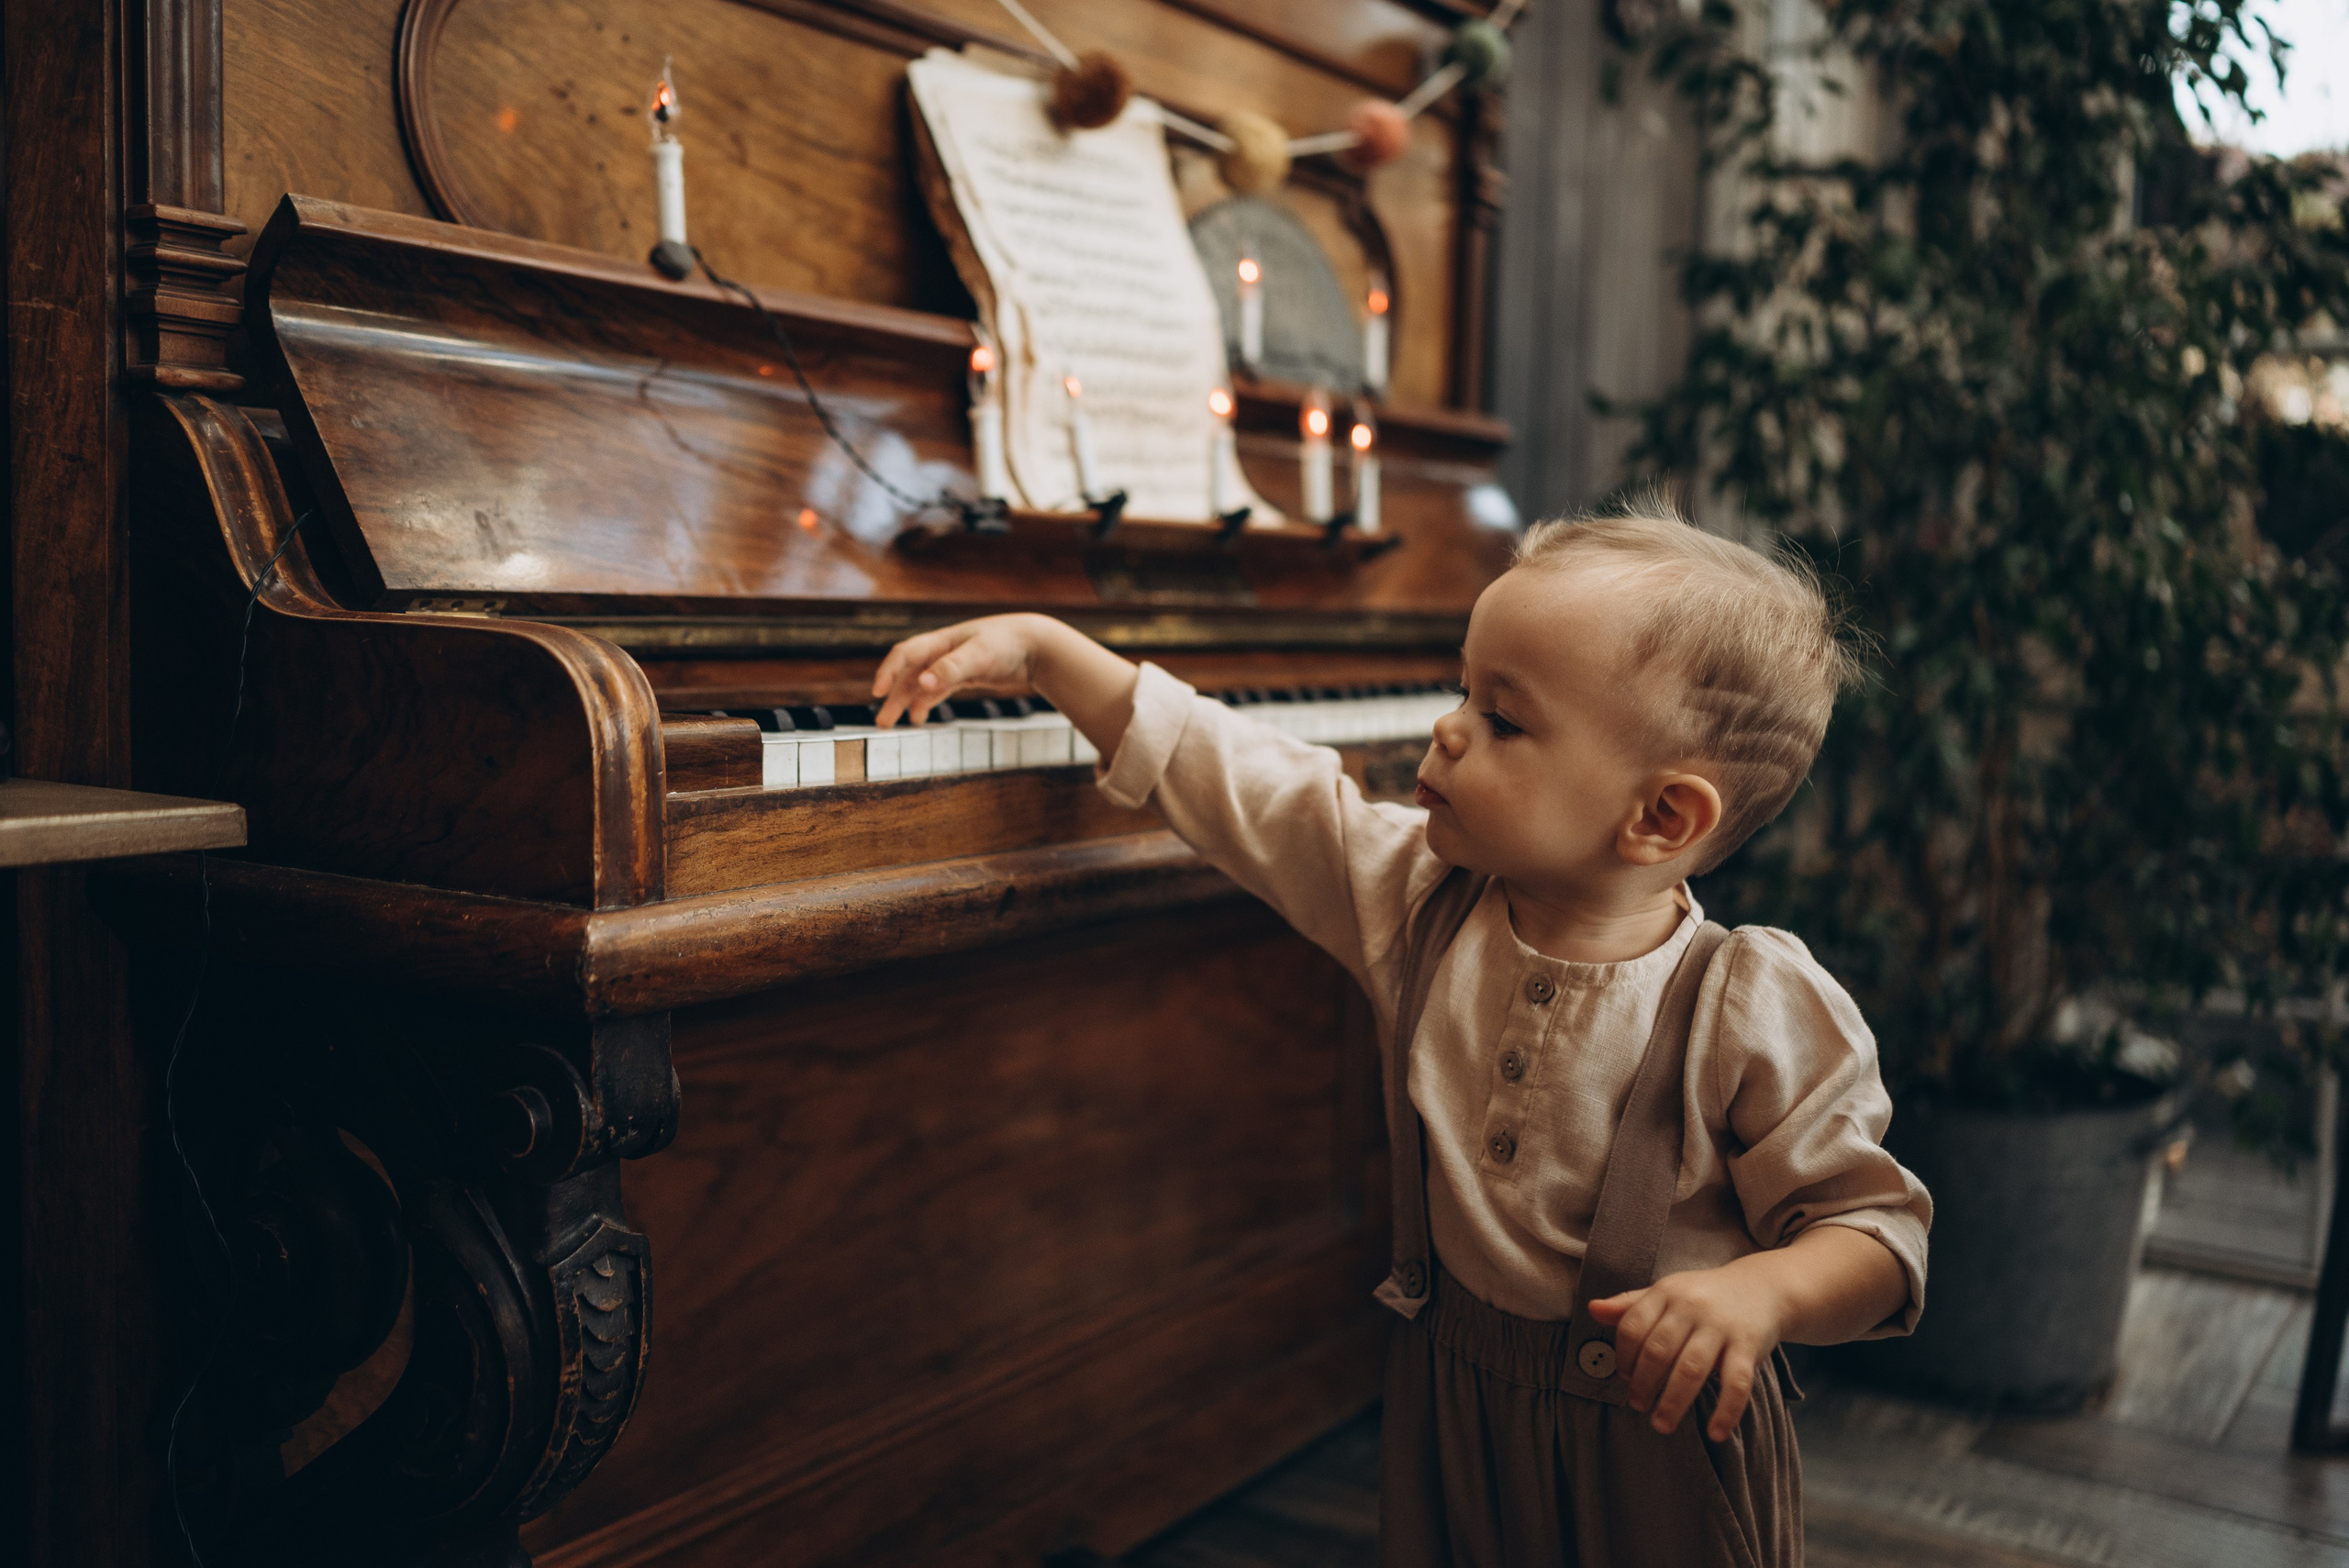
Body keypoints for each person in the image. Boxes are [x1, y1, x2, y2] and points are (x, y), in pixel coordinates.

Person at [870, 504, 1931, 1567]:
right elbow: (1249, 782)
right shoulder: (1416, 898)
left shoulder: (1745, 999)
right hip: (1451, 1401)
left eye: (1504, 719)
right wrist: (1051, 652)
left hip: (1655, 1448)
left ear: (1660, 818)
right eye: (1462, 688)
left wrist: (1763, 1290)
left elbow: (1879, 1237)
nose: (1448, 729)